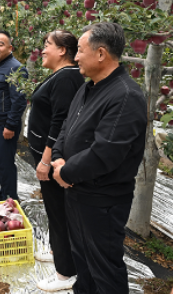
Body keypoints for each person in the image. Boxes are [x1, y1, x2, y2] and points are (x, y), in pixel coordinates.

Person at [52, 22, 146, 294]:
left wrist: (65, 173)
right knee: (83, 260)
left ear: (101, 53)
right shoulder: (87, 87)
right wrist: (58, 157)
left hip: (102, 201)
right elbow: (66, 127)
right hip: (77, 193)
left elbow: (105, 152)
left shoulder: (125, 96)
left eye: (80, 51)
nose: (76, 56)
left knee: (104, 267)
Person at [28, 31, 84, 292]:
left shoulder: (66, 78)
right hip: (50, 157)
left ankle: (65, 273)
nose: (42, 49)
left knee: (60, 214)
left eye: (47, 44)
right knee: (56, 210)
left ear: (63, 50)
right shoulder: (63, 76)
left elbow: (59, 122)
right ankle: (59, 252)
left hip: (52, 160)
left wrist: (46, 160)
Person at [0, 30, 27, 201]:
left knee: (5, 163)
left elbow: (19, 101)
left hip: (4, 124)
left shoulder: (16, 68)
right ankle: (4, 194)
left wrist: (10, 125)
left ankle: (10, 198)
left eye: (0, 44)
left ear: (10, 47)